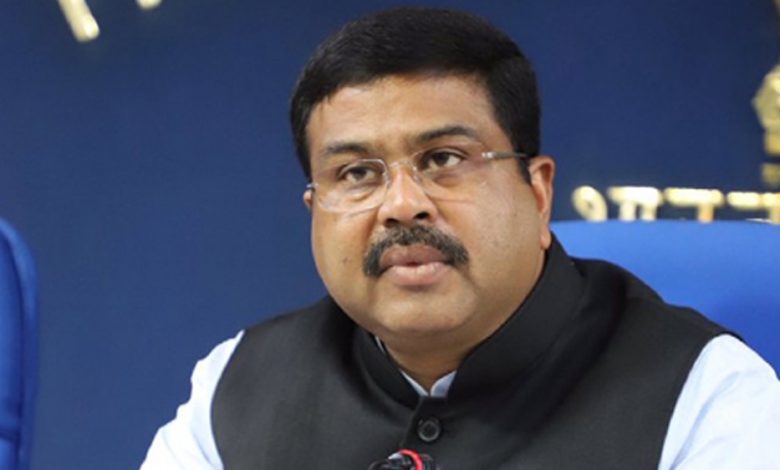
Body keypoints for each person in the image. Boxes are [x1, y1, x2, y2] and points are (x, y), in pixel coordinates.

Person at [141, 7, 780, 469]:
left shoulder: (705, 397)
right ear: (314, 208)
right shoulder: (238, 389)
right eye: (357, 174)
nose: (402, 205)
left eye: (443, 159)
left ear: (538, 191)